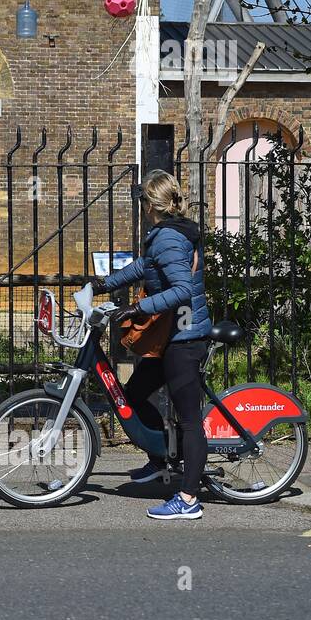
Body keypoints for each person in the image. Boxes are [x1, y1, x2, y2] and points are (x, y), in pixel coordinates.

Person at [94, 169, 212, 520]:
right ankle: (161, 462)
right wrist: (103, 284)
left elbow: (182, 290)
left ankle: (189, 499)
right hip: (174, 335)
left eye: (142, 201)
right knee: (132, 395)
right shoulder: (167, 233)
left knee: (190, 420)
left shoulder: (169, 238)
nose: (140, 207)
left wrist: (138, 306)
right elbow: (145, 267)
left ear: (150, 204)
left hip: (185, 338)